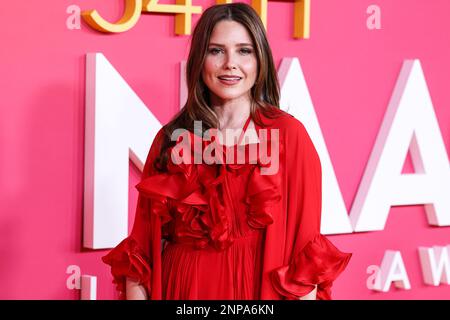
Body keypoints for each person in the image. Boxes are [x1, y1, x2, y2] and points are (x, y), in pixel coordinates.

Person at [102, 2, 351, 300]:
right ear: (199, 59)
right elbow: (140, 256)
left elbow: (305, 259)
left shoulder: (289, 136)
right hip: (181, 291)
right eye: (216, 50)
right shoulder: (171, 140)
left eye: (244, 51)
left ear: (260, 60)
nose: (230, 63)